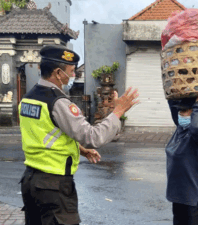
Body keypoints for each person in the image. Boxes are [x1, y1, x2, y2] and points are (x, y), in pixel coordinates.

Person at [18, 45, 139, 225]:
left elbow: (46, 134)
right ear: (59, 73)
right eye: (72, 71)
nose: (73, 76)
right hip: (54, 186)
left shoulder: (28, 98)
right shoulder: (58, 102)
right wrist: (118, 111)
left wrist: (81, 150)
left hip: (31, 181)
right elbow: (93, 136)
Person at [166, 96, 198, 225]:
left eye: (187, 111)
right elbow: (173, 104)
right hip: (180, 197)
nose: (182, 115)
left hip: (197, 199)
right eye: (181, 111)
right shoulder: (180, 130)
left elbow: (197, 127)